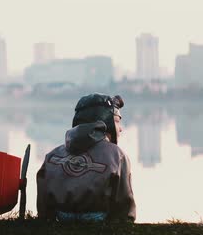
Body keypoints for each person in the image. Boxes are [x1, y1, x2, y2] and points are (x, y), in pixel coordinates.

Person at [36, 93, 136, 222]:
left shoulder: (53, 155)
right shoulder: (117, 155)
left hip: (60, 221)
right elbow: (124, 204)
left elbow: (44, 206)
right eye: (117, 121)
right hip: (100, 223)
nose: (120, 129)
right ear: (107, 123)